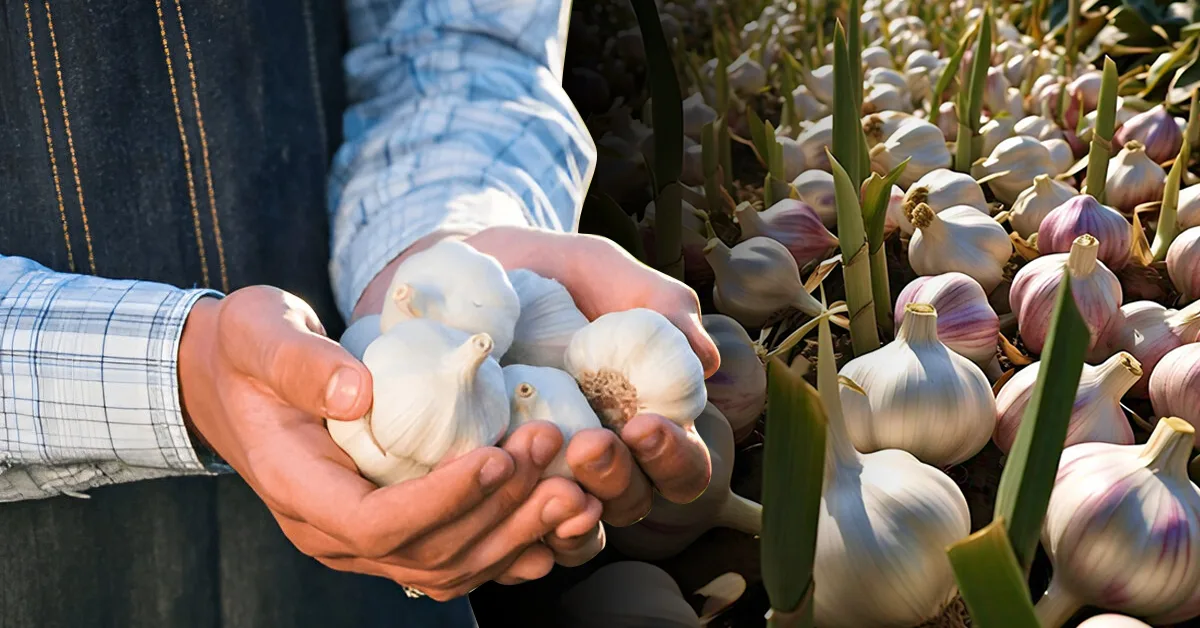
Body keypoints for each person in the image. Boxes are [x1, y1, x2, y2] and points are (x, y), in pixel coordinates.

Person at [0, 0, 719, 626]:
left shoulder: (470, 355)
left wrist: (439, 236)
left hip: (388, 520)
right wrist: (175, 367)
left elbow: (460, 37)